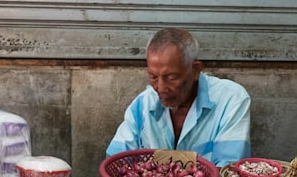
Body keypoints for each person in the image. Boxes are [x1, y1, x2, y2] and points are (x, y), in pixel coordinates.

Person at [106, 27, 251, 167]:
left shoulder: (231, 100)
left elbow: (228, 172)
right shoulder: (143, 104)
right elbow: (114, 162)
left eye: (171, 77)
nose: (161, 88)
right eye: (153, 77)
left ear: (195, 70)